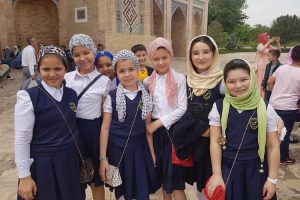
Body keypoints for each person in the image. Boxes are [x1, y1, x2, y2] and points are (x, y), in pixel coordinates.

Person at [15, 45, 84, 200]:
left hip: (69, 161)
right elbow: (21, 139)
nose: (52, 74)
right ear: (38, 70)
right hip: (43, 165)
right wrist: (25, 176)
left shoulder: (71, 94)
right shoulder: (28, 97)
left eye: (58, 69)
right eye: (46, 69)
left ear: (66, 69)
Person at [207, 59, 280, 200]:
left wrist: (272, 180)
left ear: (252, 78)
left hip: (256, 170)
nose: (238, 85)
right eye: (231, 81)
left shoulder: (265, 108)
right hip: (228, 168)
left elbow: (273, 146)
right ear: (225, 83)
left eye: (243, 79)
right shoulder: (219, 107)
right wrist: (217, 174)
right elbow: (215, 142)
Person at [99, 49, 160, 199]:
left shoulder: (145, 95)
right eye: (121, 71)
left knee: (141, 188)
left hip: (140, 149)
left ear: (138, 69)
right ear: (117, 73)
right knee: (122, 189)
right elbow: (105, 128)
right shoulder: (111, 97)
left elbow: (148, 128)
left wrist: (152, 153)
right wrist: (103, 158)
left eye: (131, 69)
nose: (127, 74)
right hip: (118, 149)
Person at [177, 35, 224, 199]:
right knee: (200, 186)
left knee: (214, 186)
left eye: (206, 52)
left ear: (214, 54)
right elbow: (179, 111)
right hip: (194, 145)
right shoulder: (185, 81)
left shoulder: (223, 81)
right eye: (195, 53)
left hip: (216, 148)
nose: (201, 57)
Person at [65, 34, 111, 200]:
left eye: (86, 53)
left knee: (95, 181)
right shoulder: (66, 78)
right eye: (76, 55)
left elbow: (105, 115)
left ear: (94, 52)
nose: (82, 58)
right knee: (73, 179)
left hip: (92, 133)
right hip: (70, 132)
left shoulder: (104, 81)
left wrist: (103, 154)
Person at [144, 37, 187, 200]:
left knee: (176, 182)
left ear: (171, 56)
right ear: (151, 59)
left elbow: (182, 107)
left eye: (165, 57)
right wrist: (152, 127)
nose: (161, 62)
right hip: (155, 136)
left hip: (173, 133)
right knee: (163, 179)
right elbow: (147, 109)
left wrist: (158, 123)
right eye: (156, 59)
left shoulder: (179, 79)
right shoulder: (147, 81)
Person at [268, 45, 300, 164]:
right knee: (284, 134)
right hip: (289, 108)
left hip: (274, 105)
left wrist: (274, 93)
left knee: (272, 131)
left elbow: (270, 81)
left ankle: (269, 154)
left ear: (291, 55)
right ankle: (283, 158)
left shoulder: (282, 68)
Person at [255, 33, 280, 97]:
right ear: (262, 38)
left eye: (269, 38)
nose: (268, 39)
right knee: (260, 82)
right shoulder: (260, 45)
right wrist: (269, 42)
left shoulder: (270, 46)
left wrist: (277, 43)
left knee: (267, 81)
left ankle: (266, 96)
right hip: (261, 66)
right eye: (267, 38)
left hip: (268, 66)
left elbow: (278, 52)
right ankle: (260, 97)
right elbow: (261, 49)